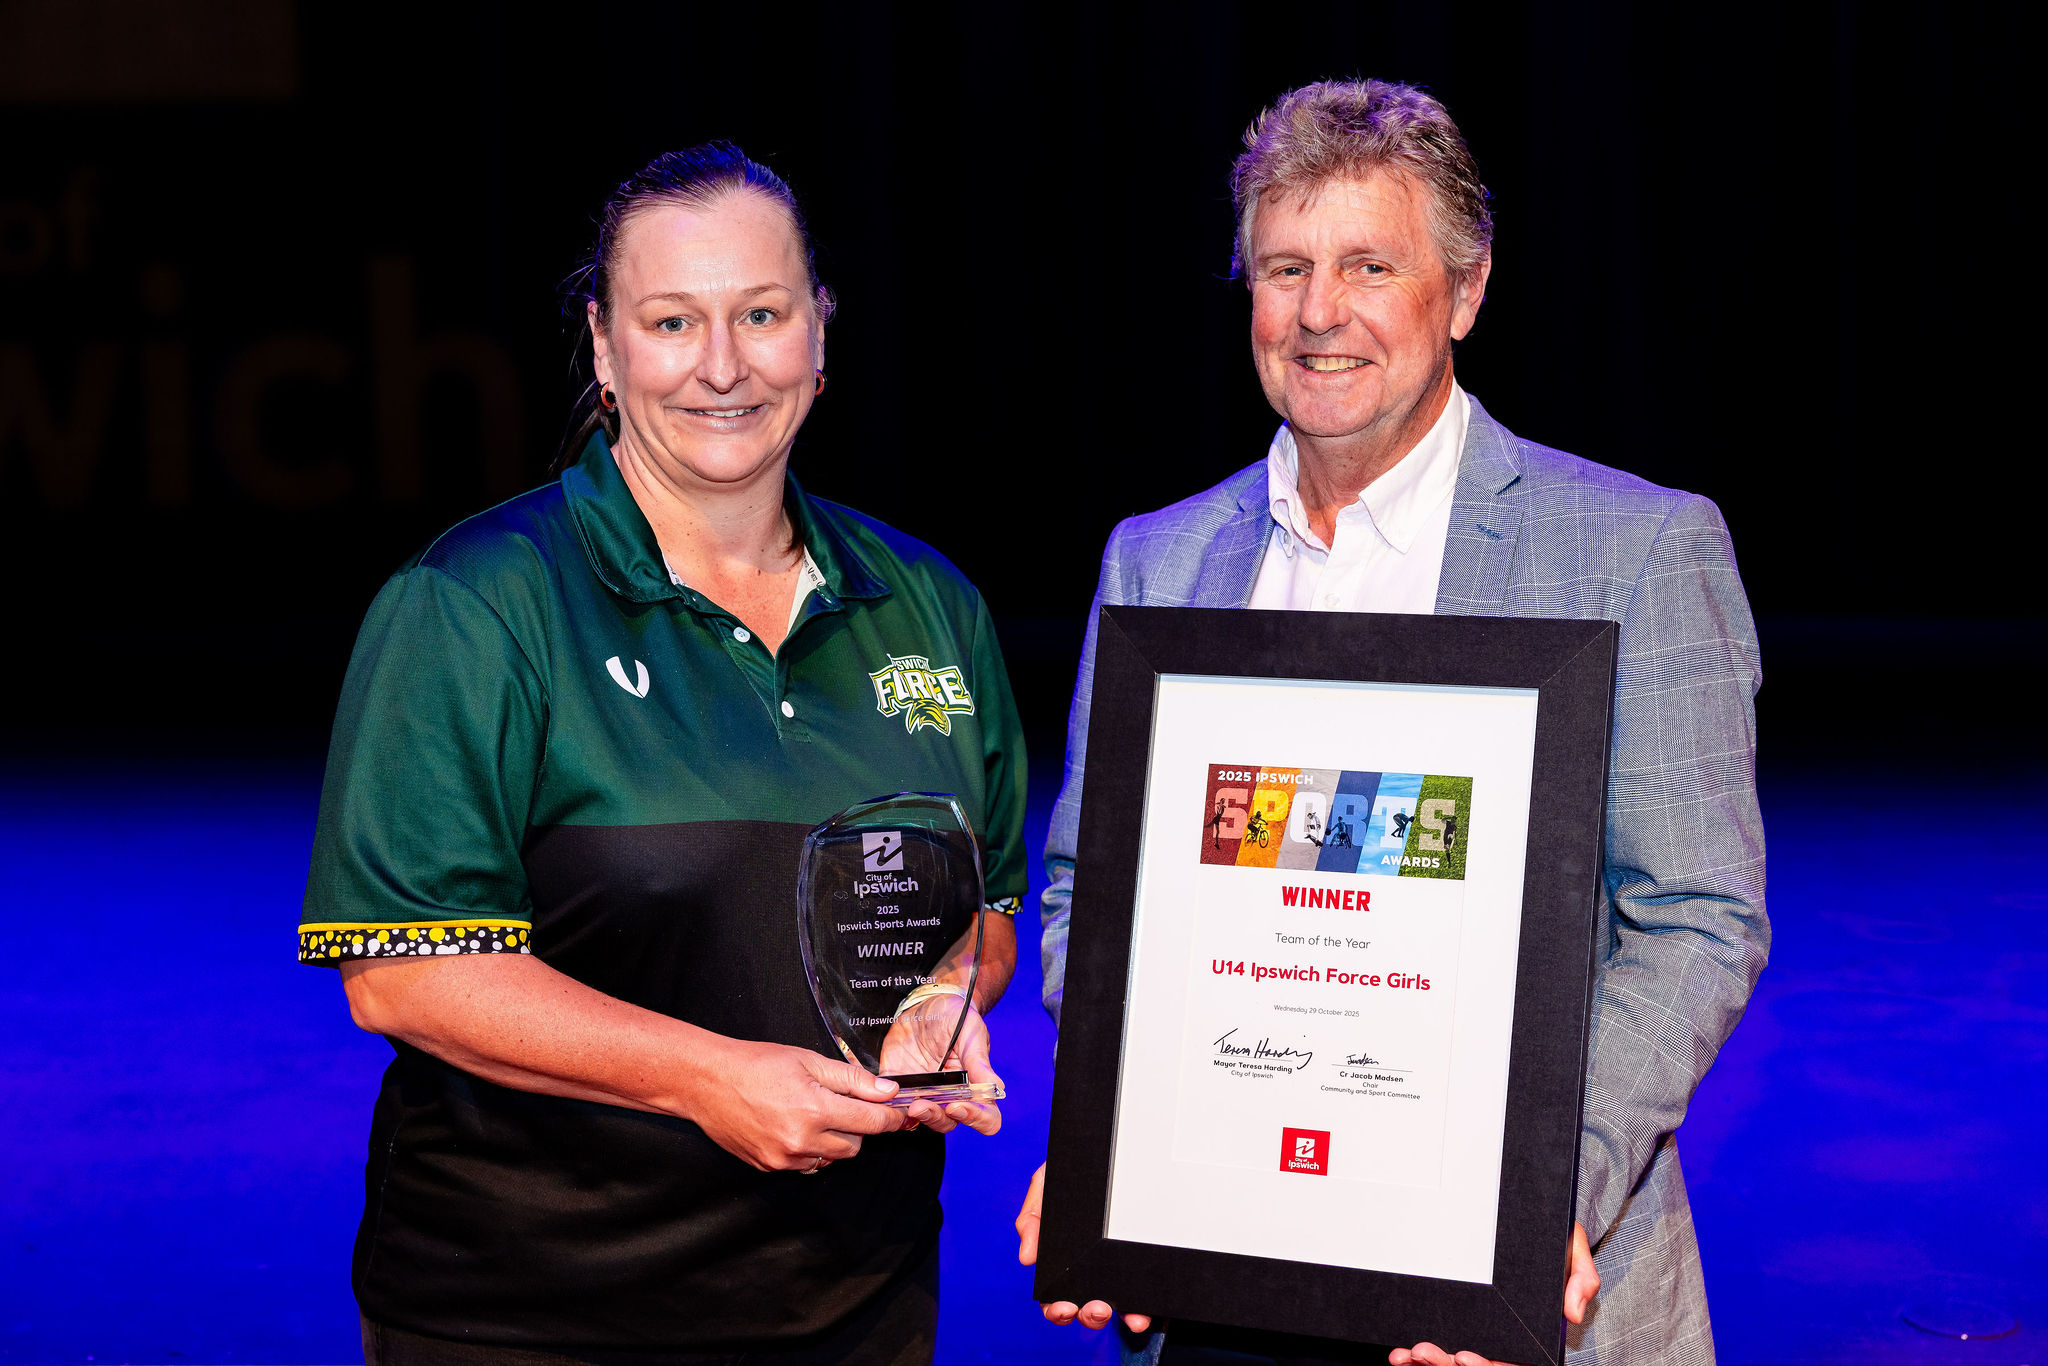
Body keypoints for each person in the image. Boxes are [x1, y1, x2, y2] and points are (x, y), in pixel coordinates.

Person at [1014, 80, 1768, 1366]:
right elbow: (1091, 890)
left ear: (1463, 292)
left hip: (1517, 1306)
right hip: (1219, 1286)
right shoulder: (1158, 562)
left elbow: (1697, 918)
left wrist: (1532, 1197)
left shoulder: (1633, 550)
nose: (1320, 311)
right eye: (1284, 268)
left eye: (1370, 265)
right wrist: (1119, 1135)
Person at [298, 142, 1027, 1364]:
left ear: (819, 331)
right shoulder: (476, 603)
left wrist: (941, 1002)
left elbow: (987, 907)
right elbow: (403, 972)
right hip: (534, 1316)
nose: (723, 365)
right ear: (604, 347)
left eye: (762, 314)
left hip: (859, 1300)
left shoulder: (928, 602)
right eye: (672, 321)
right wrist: (705, 1077)